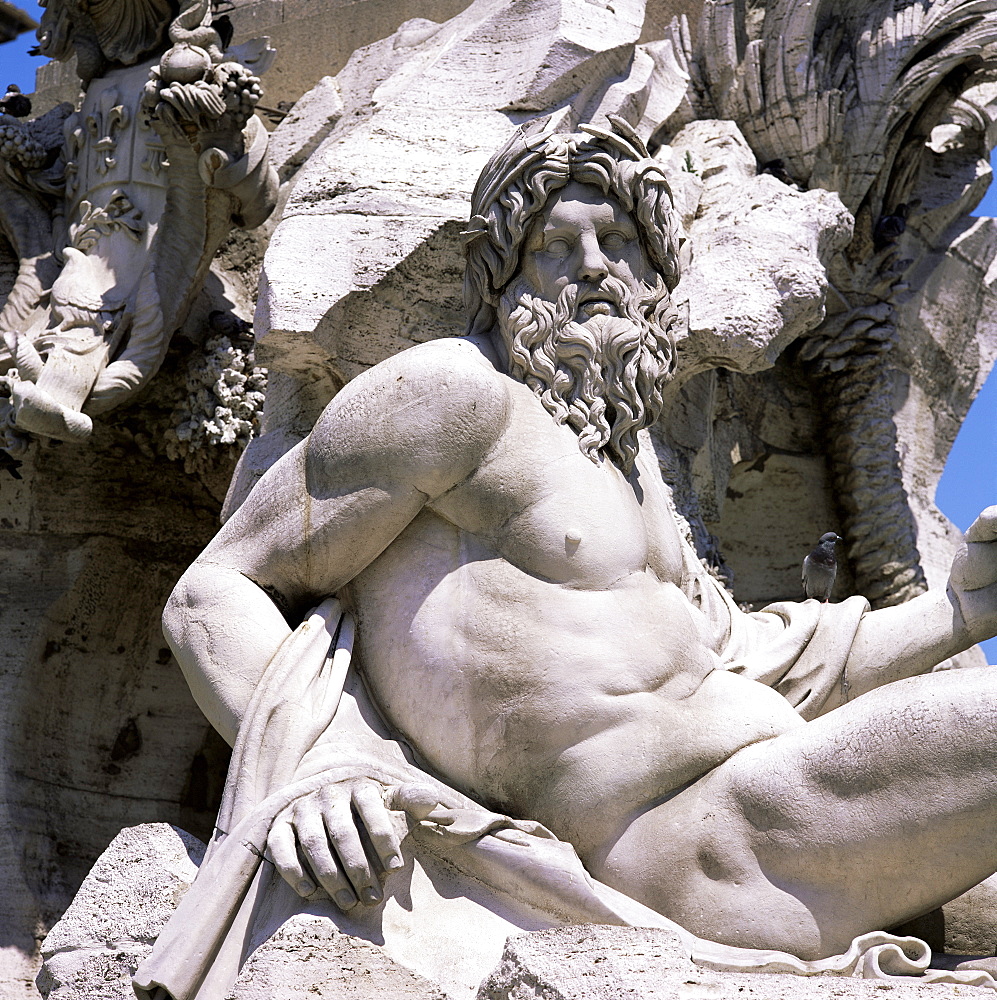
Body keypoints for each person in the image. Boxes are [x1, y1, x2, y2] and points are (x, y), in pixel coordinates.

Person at [163, 117, 997, 962]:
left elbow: (751, 654)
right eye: (557, 247)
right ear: (500, 275)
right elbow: (214, 592)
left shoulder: (623, 456)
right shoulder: (452, 393)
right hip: (689, 847)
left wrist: (961, 609)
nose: (596, 268)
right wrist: (320, 760)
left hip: (774, 794)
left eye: (622, 241)